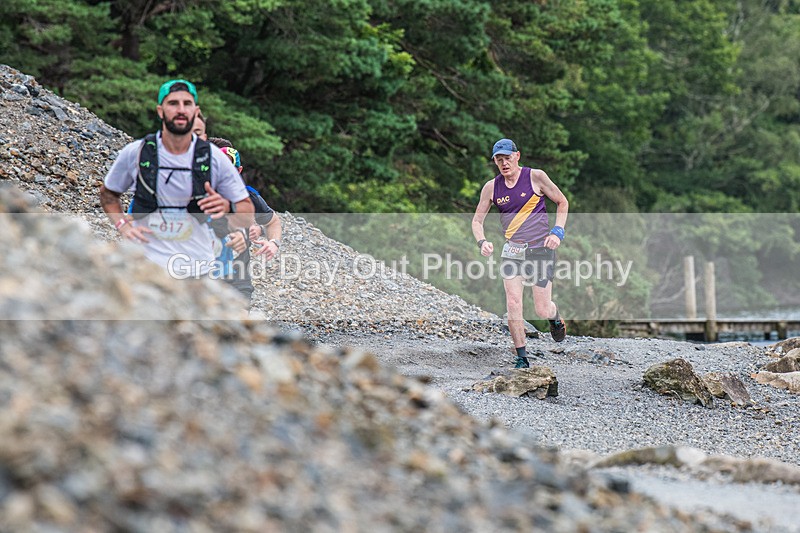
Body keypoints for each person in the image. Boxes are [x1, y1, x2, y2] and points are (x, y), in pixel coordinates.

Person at [99, 79, 254, 277]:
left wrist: (228, 207)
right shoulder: (137, 152)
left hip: (198, 272)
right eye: (173, 103)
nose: (181, 109)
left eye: (187, 104)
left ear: (195, 111)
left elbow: (247, 214)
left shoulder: (215, 158)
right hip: (146, 267)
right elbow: (108, 195)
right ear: (160, 110)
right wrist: (123, 226)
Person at [472, 138, 569, 368]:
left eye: (507, 157)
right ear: (495, 162)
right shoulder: (491, 187)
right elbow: (477, 220)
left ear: (517, 156)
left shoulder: (535, 177)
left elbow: (562, 202)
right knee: (513, 303)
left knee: (541, 309)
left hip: (540, 249)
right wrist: (482, 241)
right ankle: (521, 357)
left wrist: (557, 232)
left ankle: (555, 319)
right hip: (512, 250)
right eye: (499, 160)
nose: (504, 163)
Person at [207, 136, 282, 304]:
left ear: (238, 170)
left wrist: (273, 242)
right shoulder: (191, 195)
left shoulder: (249, 196)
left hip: (237, 283)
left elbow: (273, 221)